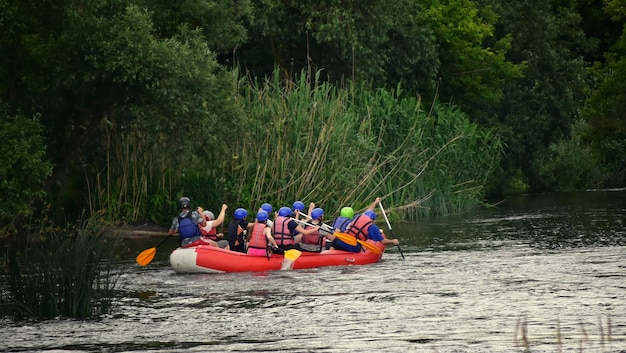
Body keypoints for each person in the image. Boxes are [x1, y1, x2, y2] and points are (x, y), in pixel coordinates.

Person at [329, 208, 400, 253]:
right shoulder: (372, 226)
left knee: (336, 242)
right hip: (352, 245)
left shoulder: (357, 217)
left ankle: (330, 253)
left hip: (339, 240)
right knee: (358, 248)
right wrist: (393, 241)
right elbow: (383, 241)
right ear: (372, 219)